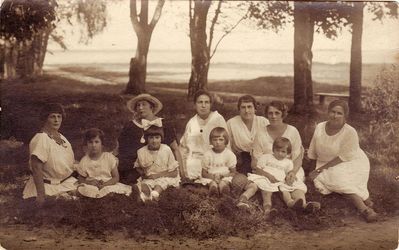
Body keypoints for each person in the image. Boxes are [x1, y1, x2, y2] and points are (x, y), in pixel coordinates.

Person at [307, 100, 377, 222]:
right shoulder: (319, 127)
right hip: (325, 162)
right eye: (332, 112)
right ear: (328, 112)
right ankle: (365, 199)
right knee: (320, 181)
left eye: (339, 113)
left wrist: (319, 170)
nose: (335, 116)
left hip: (352, 162)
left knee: (336, 177)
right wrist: (312, 171)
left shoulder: (350, 132)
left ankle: (364, 209)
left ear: (345, 115)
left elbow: (345, 157)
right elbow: (313, 150)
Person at [252, 101, 319, 212]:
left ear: (283, 114)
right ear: (267, 115)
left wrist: (292, 172)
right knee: (267, 182)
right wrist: (266, 174)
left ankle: (303, 204)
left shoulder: (292, 131)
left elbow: (297, 157)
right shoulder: (260, 133)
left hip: (289, 167)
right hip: (267, 168)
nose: (273, 116)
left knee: (295, 184)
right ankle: (289, 203)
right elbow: (255, 160)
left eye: (277, 113)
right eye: (270, 113)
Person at [118, 94, 183, 184]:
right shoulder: (130, 126)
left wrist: (182, 175)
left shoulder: (164, 124)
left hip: (160, 166)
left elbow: (175, 149)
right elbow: (121, 149)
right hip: (136, 165)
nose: (140, 108)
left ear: (151, 107)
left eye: (144, 104)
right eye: (138, 105)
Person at [22, 103, 77, 205]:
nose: (56, 120)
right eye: (52, 116)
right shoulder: (41, 138)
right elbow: (36, 168)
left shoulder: (62, 138)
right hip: (47, 186)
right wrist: (41, 195)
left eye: (59, 116)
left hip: (65, 183)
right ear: (45, 119)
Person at [180, 90, 227, 182]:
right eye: (200, 102)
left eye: (206, 102)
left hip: (214, 158)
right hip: (195, 160)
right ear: (195, 105)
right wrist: (183, 166)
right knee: (192, 169)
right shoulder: (191, 122)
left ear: (210, 104)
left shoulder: (218, 119)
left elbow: (226, 142)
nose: (203, 105)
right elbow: (183, 147)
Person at [248, 137, 303, 214]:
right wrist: (268, 176)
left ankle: (291, 203)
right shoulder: (266, 157)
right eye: (277, 150)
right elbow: (258, 169)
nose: (280, 153)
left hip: (279, 182)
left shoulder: (288, 162)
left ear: (288, 153)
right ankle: (267, 208)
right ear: (273, 149)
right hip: (266, 179)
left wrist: (289, 177)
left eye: (283, 151)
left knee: (285, 191)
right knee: (267, 192)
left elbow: (289, 172)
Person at [76, 128, 132, 198]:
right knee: (84, 189)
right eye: (90, 142)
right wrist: (89, 182)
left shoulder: (109, 157)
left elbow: (116, 177)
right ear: (86, 144)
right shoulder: (84, 161)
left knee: (110, 189)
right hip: (92, 185)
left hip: (107, 183)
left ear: (102, 144)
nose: (93, 145)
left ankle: (103, 195)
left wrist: (105, 184)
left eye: (96, 142)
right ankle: (98, 196)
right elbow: (80, 179)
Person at [134, 125, 180, 202]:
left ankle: (154, 194)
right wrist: (143, 173)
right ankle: (145, 196)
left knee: (160, 183)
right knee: (144, 184)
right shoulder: (141, 151)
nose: (154, 141)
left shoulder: (166, 149)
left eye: (157, 138)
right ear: (147, 139)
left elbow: (174, 173)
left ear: (161, 139)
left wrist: (157, 175)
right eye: (151, 138)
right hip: (150, 177)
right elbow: (137, 166)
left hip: (165, 175)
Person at [227, 95, 269, 175]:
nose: (246, 111)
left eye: (249, 107)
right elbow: (228, 146)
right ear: (239, 109)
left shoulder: (264, 122)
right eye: (243, 107)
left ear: (255, 109)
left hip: (262, 159)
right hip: (241, 160)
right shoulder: (231, 123)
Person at [201, 127, 237, 196]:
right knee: (211, 182)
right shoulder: (207, 154)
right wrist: (213, 177)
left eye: (221, 140)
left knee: (225, 182)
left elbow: (233, 172)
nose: (217, 142)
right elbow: (204, 173)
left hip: (224, 176)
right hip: (211, 176)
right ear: (211, 141)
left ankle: (223, 189)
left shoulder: (229, 154)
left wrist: (223, 176)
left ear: (226, 141)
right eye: (215, 140)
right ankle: (213, 189)